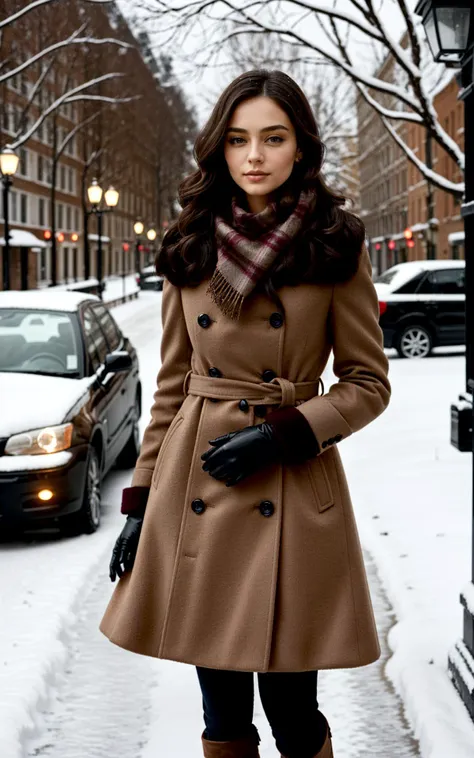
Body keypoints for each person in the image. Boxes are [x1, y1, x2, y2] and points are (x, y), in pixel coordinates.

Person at [99, 69, 391, 758]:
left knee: (294, 711)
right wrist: (141, 502)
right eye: (238, 140)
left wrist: (284, 434)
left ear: (299, 147)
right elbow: (172, 387)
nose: (254, 155)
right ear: (219, 150)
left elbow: (368, 383)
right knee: (222, 711)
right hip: (199, 485)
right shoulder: (189, 245)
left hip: (290, 483)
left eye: (273, 138)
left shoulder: (333, 246)